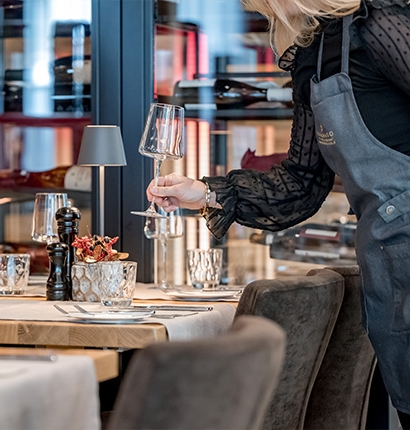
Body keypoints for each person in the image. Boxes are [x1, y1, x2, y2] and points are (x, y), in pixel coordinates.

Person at [147, 0, 410, 427]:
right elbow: (301, 184)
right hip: (390, 272)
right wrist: (206, 192)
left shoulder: (379, 25)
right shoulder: (316, 56)